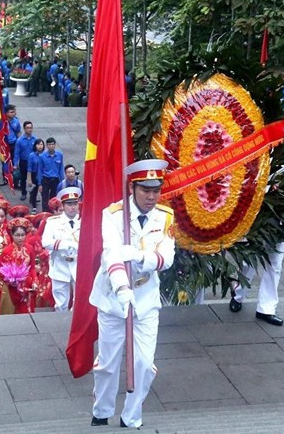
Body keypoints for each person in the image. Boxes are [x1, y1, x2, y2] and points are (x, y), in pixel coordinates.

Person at [90, 159, 175, 428]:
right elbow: (111, 254)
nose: (151, 197)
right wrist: (122, 288)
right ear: (132, 187)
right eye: (145, 190)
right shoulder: (113, 214)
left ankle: (131, 416)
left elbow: (166, 258)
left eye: (156, 190)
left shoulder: (165, 216)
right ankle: (102, 411)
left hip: (146, 296)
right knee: (108, 363)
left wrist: (139, 256)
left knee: (144, 364)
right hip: (113, 297)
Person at [40, 187, 81, 311]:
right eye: (69, 204)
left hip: (78, 264)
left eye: (75, 204)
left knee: (78, 303)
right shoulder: (53, 222)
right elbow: (45, 242)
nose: (73, 207)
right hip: (60, 264)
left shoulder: (84, 221)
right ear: (63, 206)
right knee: (61, 304)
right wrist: (66, 244)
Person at [38, 137, 63, 206]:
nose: (51, 146)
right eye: (49, 144)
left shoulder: (59, 155)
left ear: (55, 145)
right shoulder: (42, 156)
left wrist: (62, 181)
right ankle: (45, 213)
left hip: (55, 180)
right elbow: (40, 170)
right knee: (45, 198)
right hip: (46, 179)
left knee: (54, 198)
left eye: (52, 144)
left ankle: (53, 212)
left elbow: (61, 168)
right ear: (46, 146)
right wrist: (40, 184)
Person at [14, 121, 36, 200]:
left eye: (30, 128)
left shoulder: (35, 139)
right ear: (24, 129)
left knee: (34, 179)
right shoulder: (20, 141)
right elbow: (17, 153)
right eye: (27, 128)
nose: (29, 129)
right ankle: (24, 193)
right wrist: (15, 164)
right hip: (24, 162)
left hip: (33, 163)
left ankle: (33, 194)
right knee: (23, 178)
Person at [27, 138, 45, 211]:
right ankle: (34, 207)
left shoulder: (45, 155)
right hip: (34, 175)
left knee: (43, 192)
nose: (40, 146)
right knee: (34, 192)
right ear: (35, 146)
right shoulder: (31, 155)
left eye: (41, 144)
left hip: (43, 175)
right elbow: (29, 168)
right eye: (38, 144)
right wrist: (29, 179)